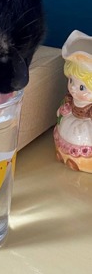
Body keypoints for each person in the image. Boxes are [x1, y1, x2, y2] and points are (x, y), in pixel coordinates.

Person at [54, 30, 92, 173]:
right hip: (71, 121)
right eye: (71, 81)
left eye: (82, 87)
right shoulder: (71, 98)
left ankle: (82, 163)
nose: (74, 89)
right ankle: (66, 156)